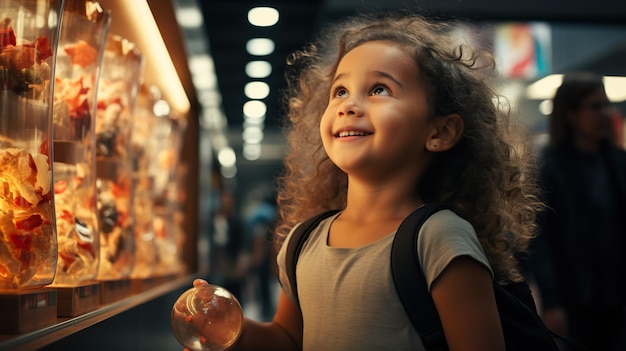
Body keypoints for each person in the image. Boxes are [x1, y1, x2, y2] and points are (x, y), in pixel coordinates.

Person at [190, 11, 542, 350]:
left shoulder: (439, 237)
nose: (349, 105)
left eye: (379, 89)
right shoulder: (302, 241)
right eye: (340, 91)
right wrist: (231, 331)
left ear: (441, 131)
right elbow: (287, 339)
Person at [524, 72, 626, 350]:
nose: (605, 114)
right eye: (595, 106)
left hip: (618, 294)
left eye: (607, 105)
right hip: (576, 297)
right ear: (570, 114)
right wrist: (553, 302)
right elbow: (540, 239)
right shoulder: (551, 168)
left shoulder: (618, 162)